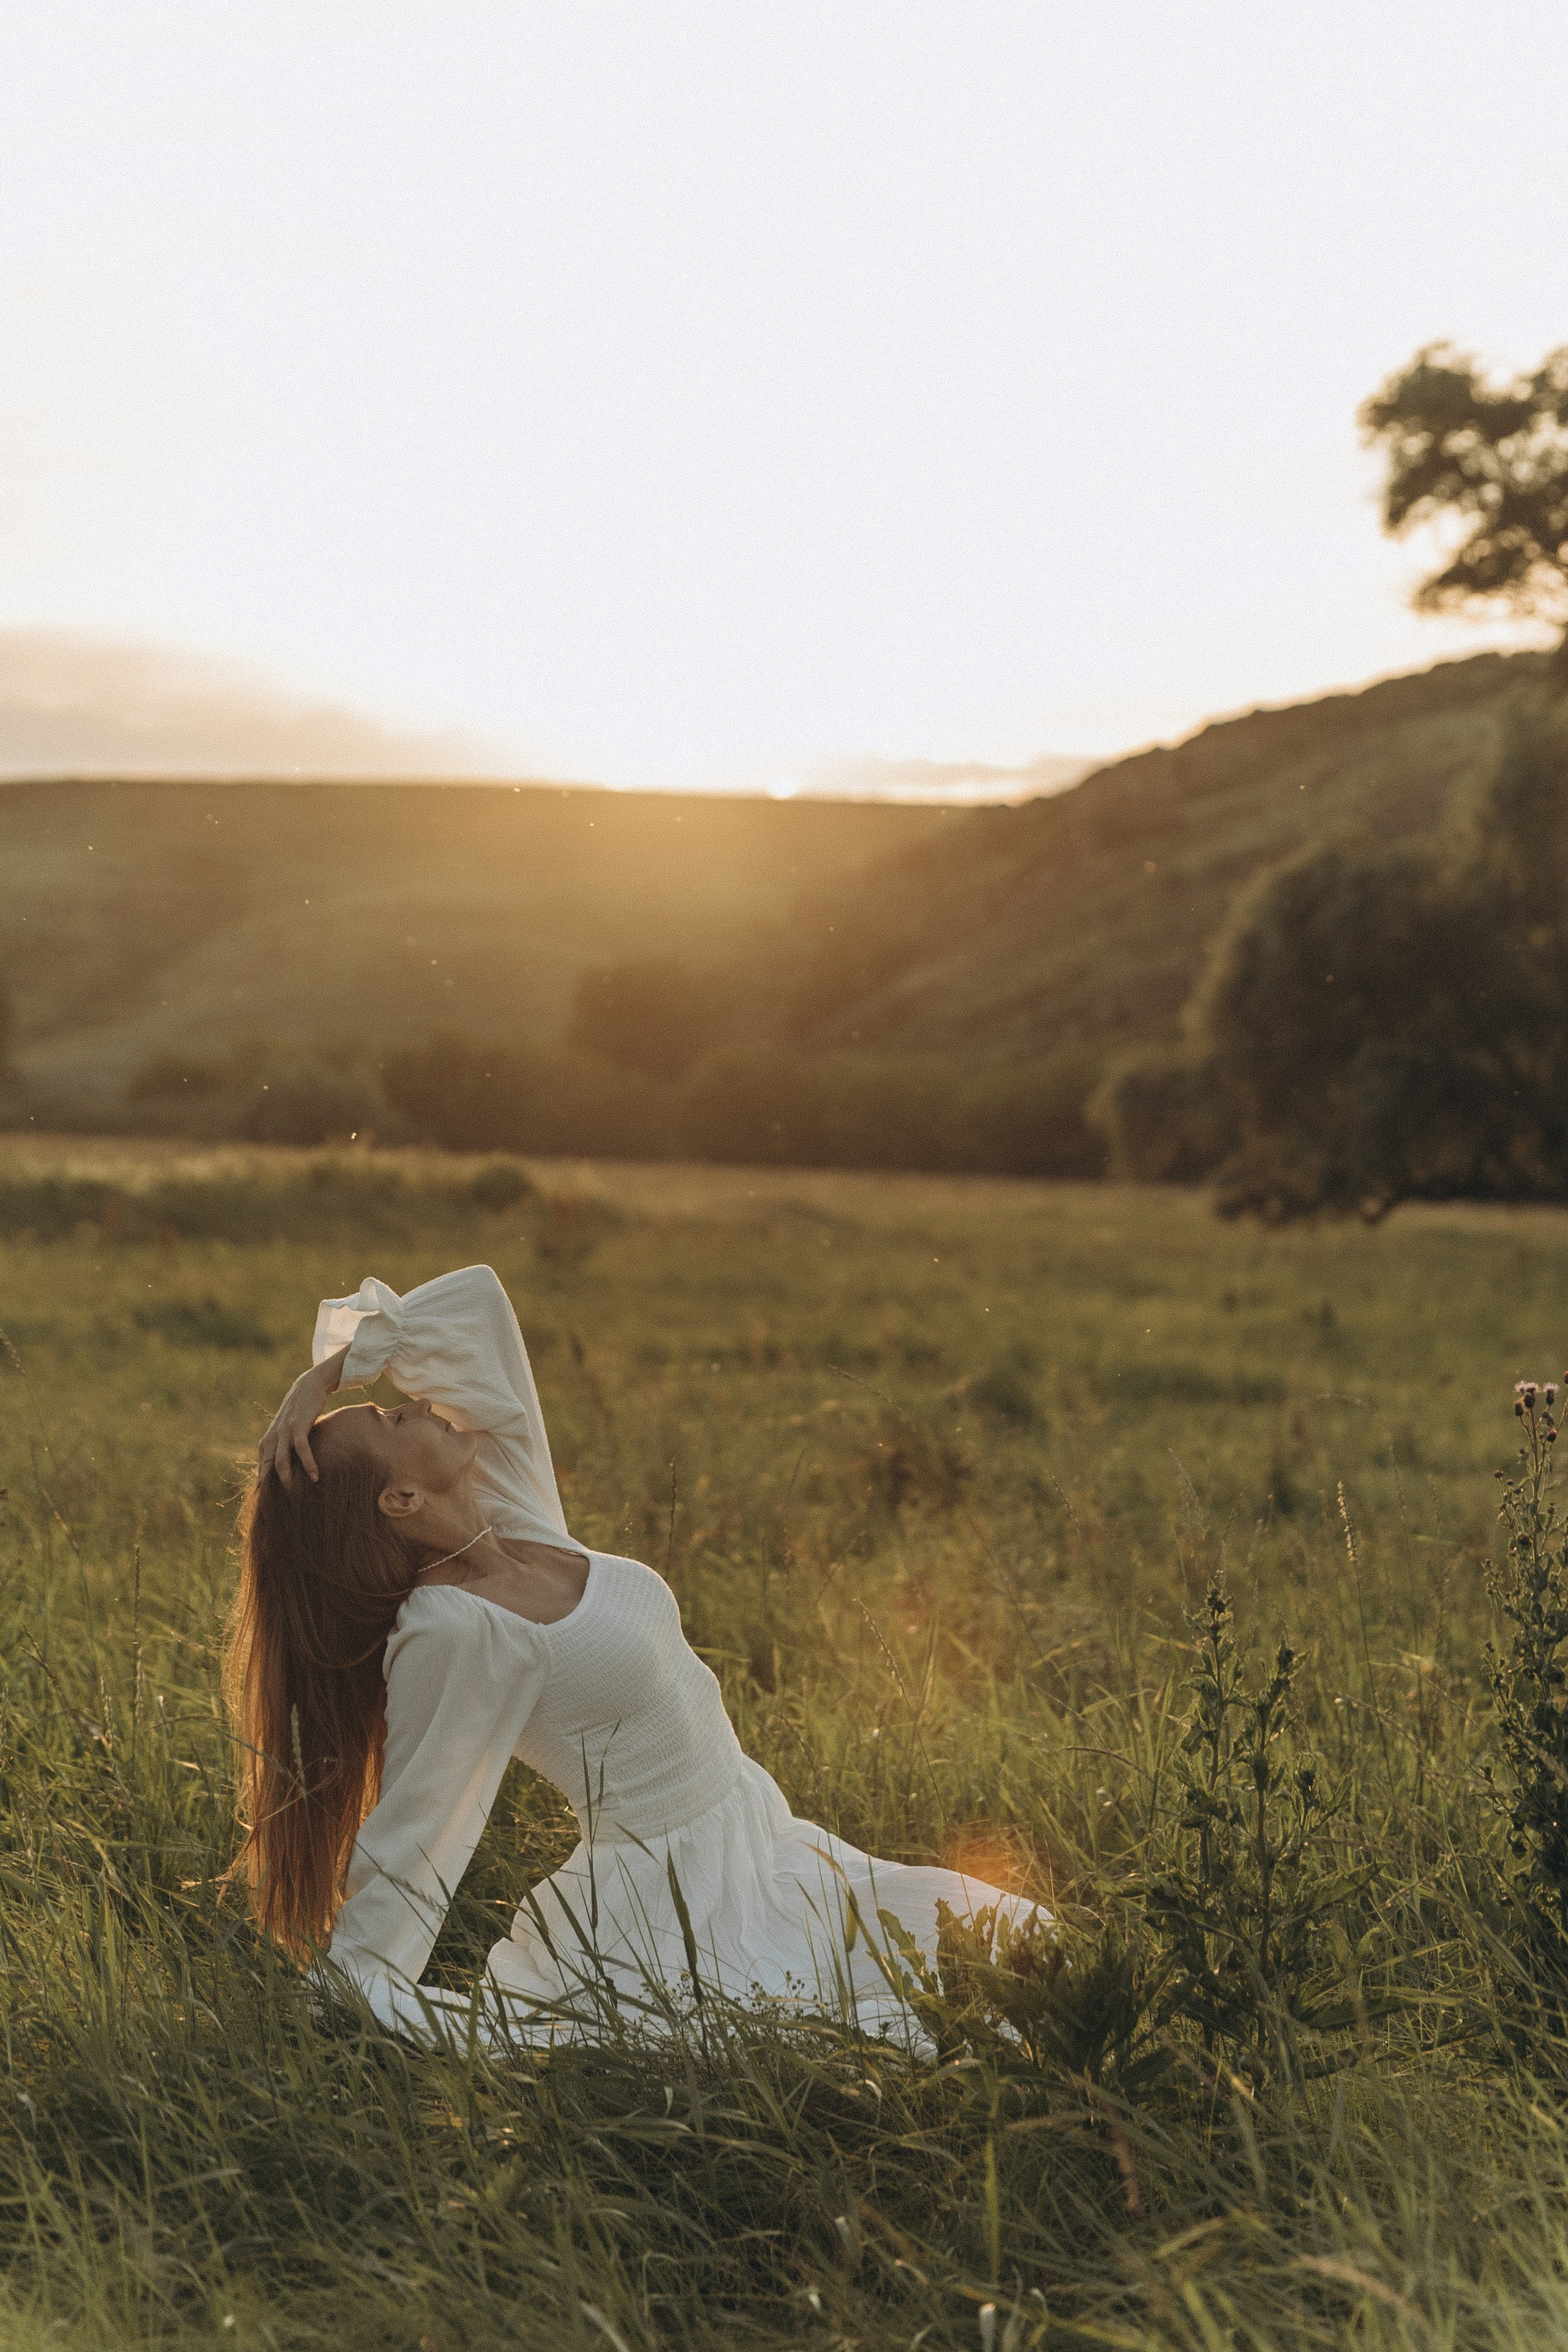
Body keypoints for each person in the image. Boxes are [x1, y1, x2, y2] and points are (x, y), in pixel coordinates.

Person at [228, 1263, 1044, 2045]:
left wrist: (325, 1379)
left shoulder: (510, 1513)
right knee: (929, 2025)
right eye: (394, 1420)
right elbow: (418, 1828)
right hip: (677, 1903)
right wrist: (360, 1985)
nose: (416, 1403)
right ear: (402, 1499)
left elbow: (478, 1308)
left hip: (758, 1837)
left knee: (1023, 1949)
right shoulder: (454, 1629)